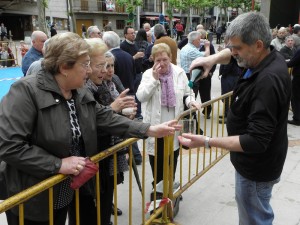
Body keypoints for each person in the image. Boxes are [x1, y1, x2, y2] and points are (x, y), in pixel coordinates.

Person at [0, 32, 181, 225]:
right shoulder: (25, 91)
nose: (89, 71)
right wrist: (58, 164)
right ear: (64, 67)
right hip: (33, 195)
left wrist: (148, 129)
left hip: (63, 190)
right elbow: (9, 145)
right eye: (85, 64)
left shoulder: (77, 91)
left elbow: (103, 116)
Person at [179, 12, 291, 225]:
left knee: (255, 219)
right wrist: (211, 59)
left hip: (257, 168)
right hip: (256, 164)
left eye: (237, 48)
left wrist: (205, 141)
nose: (233, 53)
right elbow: (232, 55)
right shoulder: (267, 56)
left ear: (258, 45)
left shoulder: (268, 81)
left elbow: (256, 141)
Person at [136, 43, 200, 187]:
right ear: (152, 59)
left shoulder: (179, 72)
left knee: (172, 158)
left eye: (165, 59)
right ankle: (158, 189)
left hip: (174, 126)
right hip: (156, 127)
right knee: (157, 160)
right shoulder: (147, 74)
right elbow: (141, 97)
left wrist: (191, 102)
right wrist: (154, 79)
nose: (162, 63)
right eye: (158, 60)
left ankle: (169, 187)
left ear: (170, 58)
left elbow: (187, 93)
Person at [287, 48, 300, 126]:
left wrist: (281, 63)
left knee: (296, 98)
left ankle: (297, 119)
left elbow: (293, 62)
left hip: (298, 77)